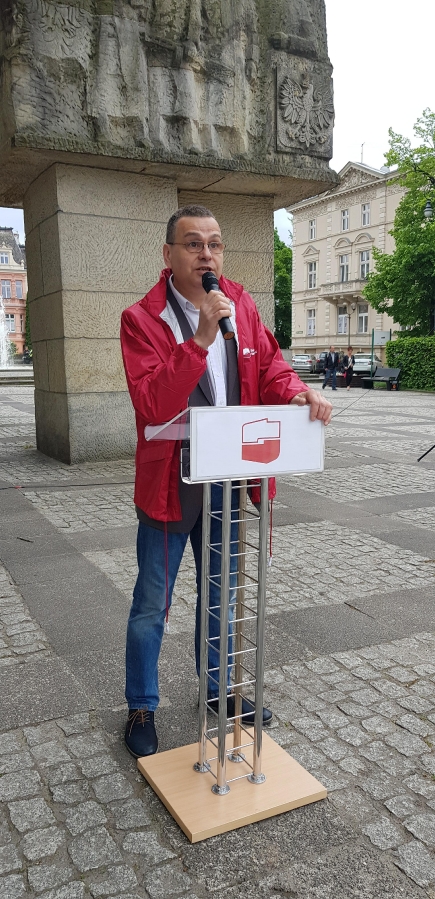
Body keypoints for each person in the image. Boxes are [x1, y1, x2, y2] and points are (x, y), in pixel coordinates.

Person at [120, 204, 332, 758]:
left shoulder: (241, 303)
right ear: (168, 254)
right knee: (152, 603)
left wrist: (296, 393)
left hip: (227, 480)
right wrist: (198, 339)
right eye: (193, 244)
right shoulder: (142, 319)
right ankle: (141, 703)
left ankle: (218, 692)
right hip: (171, 484)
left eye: (214, 244)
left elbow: (269, 366)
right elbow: (152, 403)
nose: (206, 255)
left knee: (221, 596)